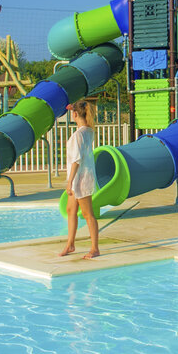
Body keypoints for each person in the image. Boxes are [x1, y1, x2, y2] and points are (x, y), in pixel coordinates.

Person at [58, 99, 100, 260]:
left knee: (88, 214)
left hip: (80, 179)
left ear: (74, 114)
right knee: (71, 211)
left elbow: (76, 160)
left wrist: (69, 182)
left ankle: (95, 248)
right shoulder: (89, 131)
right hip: (82, 177)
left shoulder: (78, 135)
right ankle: (70, 244)